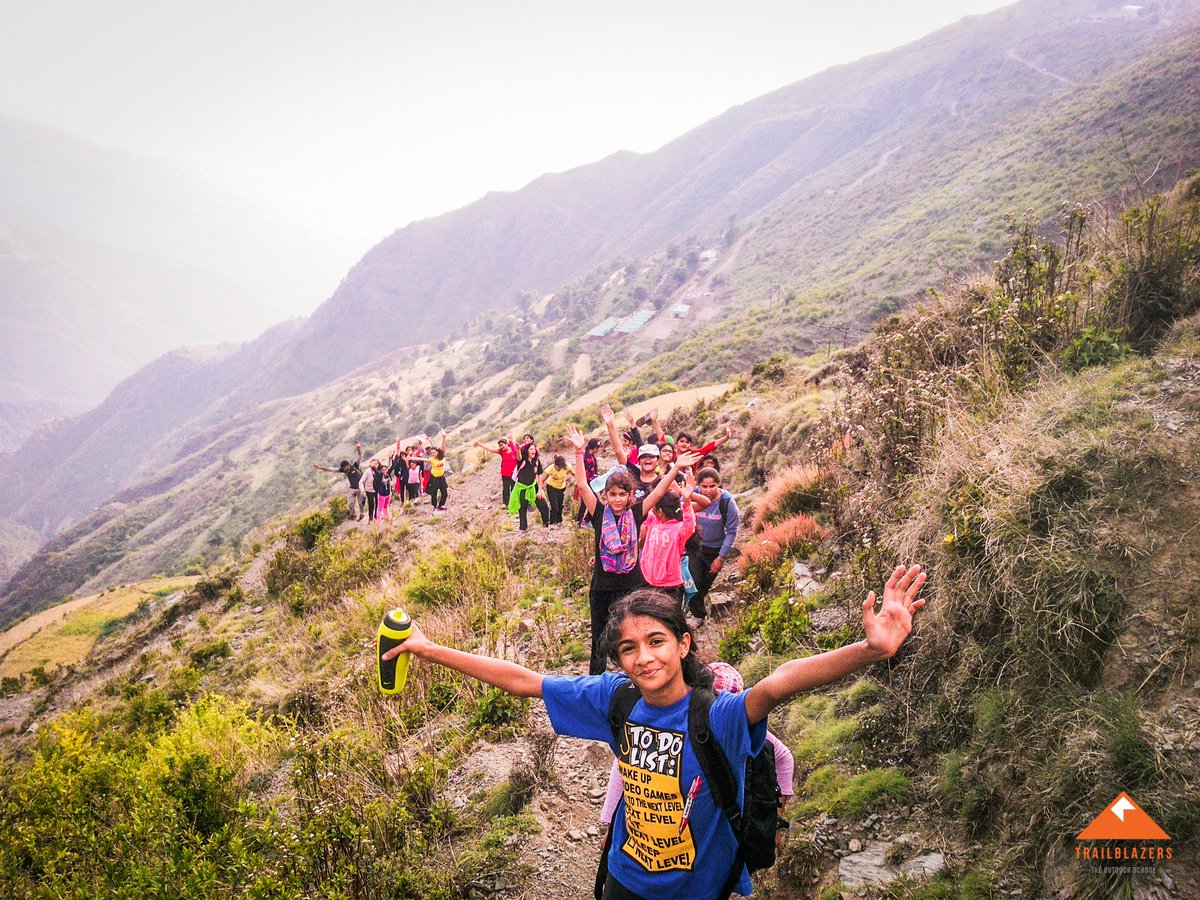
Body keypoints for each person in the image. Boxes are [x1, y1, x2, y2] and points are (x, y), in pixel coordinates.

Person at [383, 567, 927, 900]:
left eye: (657, 641)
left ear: (683, 645)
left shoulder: (718, 717)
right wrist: (426, 648)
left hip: (698, 889)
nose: (643, 658)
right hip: (625, 880)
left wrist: (872, 649)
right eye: (628, 648)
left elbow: (778, 684)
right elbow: (525, 682)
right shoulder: (614, 698)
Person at [598, 661, 795, 846]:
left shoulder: (737, 725)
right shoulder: (680, 723)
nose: (717, 717)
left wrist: (775, 818)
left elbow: (784, 757)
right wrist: (610, 824)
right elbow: (624, 764)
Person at [638, 463, 699, 604]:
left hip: (669, 585)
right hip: (647, 581)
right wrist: (669, 477)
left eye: (654, 507)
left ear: (660, 511)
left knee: (668, 621)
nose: (650, 508)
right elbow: (655, 495)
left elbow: (690, 524)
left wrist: (687, 500)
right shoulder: (653, 520)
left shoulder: (678, 529)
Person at [688, 468, 740, 623]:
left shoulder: (726, 502)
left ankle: (699, 611)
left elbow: (731, 531)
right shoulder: (694, 494)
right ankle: (697, 615)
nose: (708, 490)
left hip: (714, 550)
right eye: (704, 486)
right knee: (693, 580)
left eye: (712, 486)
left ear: (719, 484)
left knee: (704, 585)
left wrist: (721, 557)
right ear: (698, 485)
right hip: (695, 547)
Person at [313, 440, 364, 520]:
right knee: (351, 503)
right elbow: (331, 469)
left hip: (360, 487)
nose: (345, 469)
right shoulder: (343, 470)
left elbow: (360, 455)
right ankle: (353, 515)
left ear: (348, 465)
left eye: (345, 467)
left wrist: (358, 447)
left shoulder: (355, 466)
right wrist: (320, 467)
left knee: (361, 503)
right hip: (352, 488)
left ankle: (362, 514)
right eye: (343, 468)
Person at [509, 440, 549, 530]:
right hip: (522, 488)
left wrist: (540, 490)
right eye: (531, 449)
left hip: (533, 487)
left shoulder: (537, 461)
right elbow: (518, 457)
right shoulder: (522, 460)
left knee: (544, 506)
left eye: (534, 449)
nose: (533, 450)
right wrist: (518, 450)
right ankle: (523, 529)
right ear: (527, 451)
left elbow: (539, 476)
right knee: (522, 509)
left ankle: (546, 524)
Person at [474, 434, 519, 506]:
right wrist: (480, 445)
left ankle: (515, 502)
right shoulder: (501, 451)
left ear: (507, 444)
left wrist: (511, 434)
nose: (501, 447)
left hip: (514, 474)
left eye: (502, 445)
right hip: (505, 473)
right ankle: (506, 503)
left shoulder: (513, 449)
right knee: (506, 488)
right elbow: (490, 449)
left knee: (514, 488)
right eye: (500, 445)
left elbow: (512, 440)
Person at [541, 454, 574, 526]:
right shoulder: (551, 468)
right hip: (551, 488)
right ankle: (552, 522)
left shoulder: (567, 467)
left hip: (561, 488)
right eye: (558, 467)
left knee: (560, 506)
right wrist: (540, 490)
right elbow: (542, 479)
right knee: (554, 506)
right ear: (555, 465)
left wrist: (577, 482)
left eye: (561, 467)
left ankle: (559, 521)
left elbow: (574, 474)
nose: (559, 469)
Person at [576, 437, 602, 527]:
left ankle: (581, 520)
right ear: (595, 448)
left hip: (591, 482)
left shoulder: (591, 456)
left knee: (585, 503)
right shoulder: (587, 458)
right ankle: (585, 520)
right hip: (587, 482)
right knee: (593, 501)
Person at [425, 433, 449, 510]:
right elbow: (421, 459)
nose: (433, 454)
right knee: (434, 493)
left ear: (437, 452)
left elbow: (443, 446)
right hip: (434, 478)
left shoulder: (442, 456)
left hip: (441, 477)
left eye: (434, 452)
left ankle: (441, 505)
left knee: (444, 492)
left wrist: (444, 437)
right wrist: (411, 458)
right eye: (431, 453)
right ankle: (434, 506)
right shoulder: (431, 460)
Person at [362, 457, 380, 523]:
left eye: (376, 464)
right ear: (370, 464)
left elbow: (388, 468)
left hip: (377, 489)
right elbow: (361, 481)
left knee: (378, 503)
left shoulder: (379, 471)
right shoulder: (367, 471)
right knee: (371, 504)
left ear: (378, 464)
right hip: (369, 490)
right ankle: (370, 518)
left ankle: (376, 516)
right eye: (373, 463)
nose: (375, 465)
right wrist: (362, 489)